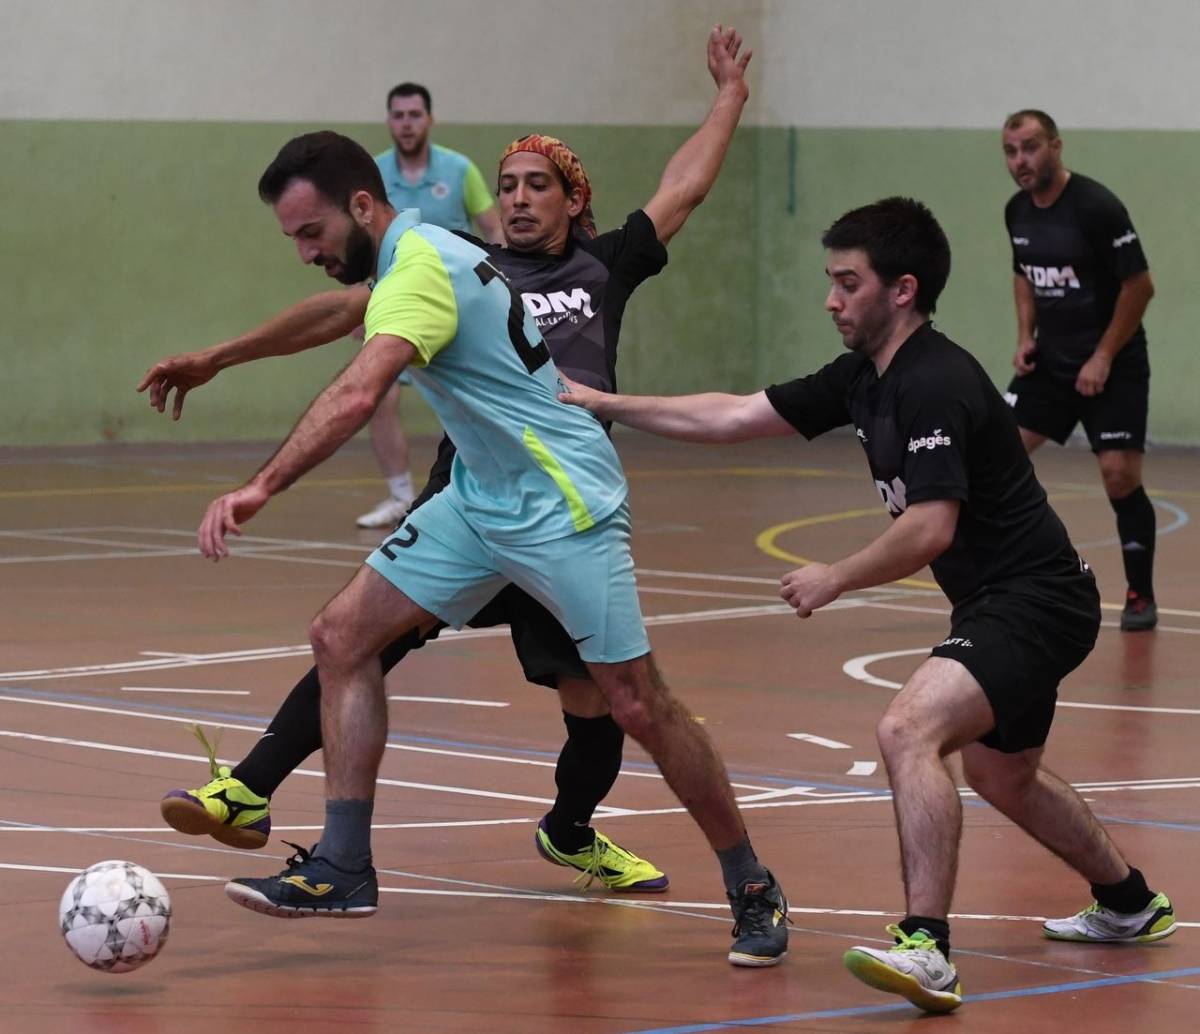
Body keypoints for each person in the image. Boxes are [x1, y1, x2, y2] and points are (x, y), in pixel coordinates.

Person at [142, 25, 760, 925]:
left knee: (628, 702)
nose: (515, 199)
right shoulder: (446, 256)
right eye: (504, 184)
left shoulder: (566, 264)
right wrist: (220, 357)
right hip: (474, 491)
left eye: (534, 185)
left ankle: (742, 877)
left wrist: (258, 486)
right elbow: (332, 317)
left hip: (561, 502)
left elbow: (359, 388)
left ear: (571, 200)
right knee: (347, 637)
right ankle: (332, 854)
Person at [559, 197, 1176, 1013]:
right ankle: (1131, 902)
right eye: (830, 281)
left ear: (902, 290)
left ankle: (927, 948)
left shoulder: (936, 382)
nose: (831, 300)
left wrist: (835, 576)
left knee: (907, 729)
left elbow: (930, 526)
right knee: (1005, 775)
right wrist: (608, 404)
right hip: (1006, 602)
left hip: (1036, 600)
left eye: (848, 283)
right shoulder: (862, 377)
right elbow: (739, 414)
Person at [1001, 109, 1158, 630]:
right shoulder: (1016, 211)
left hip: (1113, 361)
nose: (1020, 161)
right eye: (1010, 151)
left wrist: (1103, 357)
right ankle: (1007, 578)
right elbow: (1024, 275)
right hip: (1050, 361)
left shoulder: (1096, 206)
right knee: (994, 451)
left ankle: (1140, 594)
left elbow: (1140, 287)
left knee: (1118, 475)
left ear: (1056, 146)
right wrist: (1026, 336)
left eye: (1030, 147)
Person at [357, 82, 505, 529]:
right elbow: (365, 243)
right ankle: (401, 497)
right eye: (398, 115)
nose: (406, 123)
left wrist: (502, 290)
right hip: (398, 308)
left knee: (473, 400)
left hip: (458, 308)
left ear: (430, 119)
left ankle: (483, 487)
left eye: (414, 114)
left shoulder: (460, 170)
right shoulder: (375, 174)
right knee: (376, 395)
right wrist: (363, 304)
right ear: (389, 122)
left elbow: (494, 230)